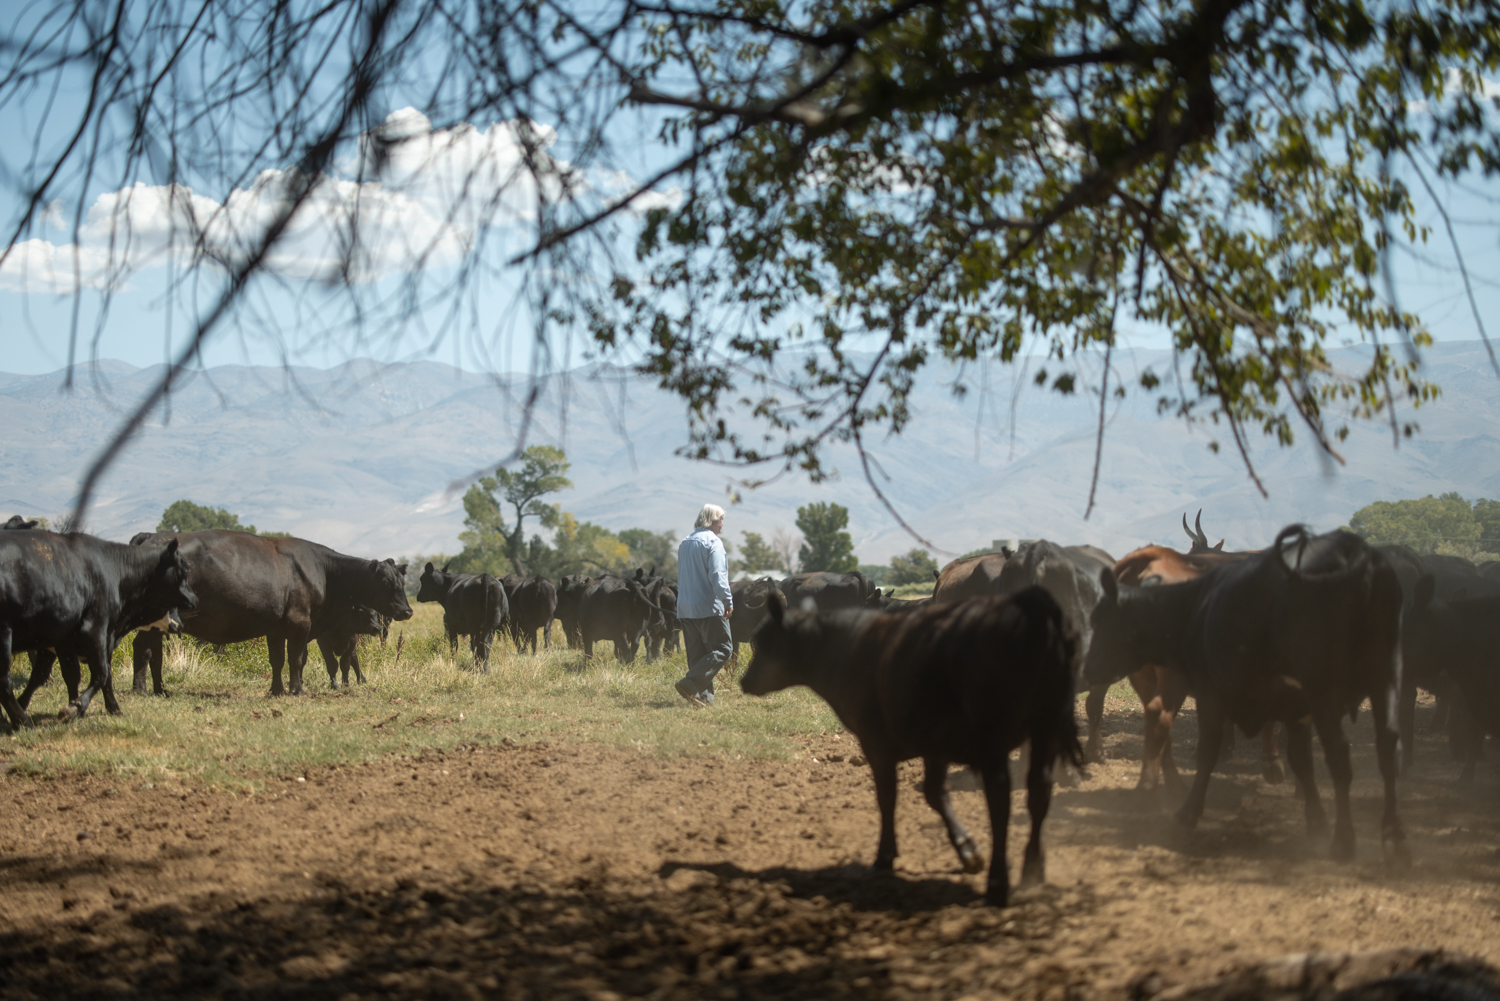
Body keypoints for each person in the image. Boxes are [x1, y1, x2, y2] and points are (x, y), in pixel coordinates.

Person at [675, 503, 733, 707]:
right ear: (712, 520)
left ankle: (703, 698)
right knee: (723, 648)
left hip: (685, 607)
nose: (722, 525)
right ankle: (689, 685)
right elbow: (717, 576)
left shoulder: (685, 542)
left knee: (697, 654)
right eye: (721, 520)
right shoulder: (713, 543)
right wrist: (727, 600)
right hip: (708, 607)